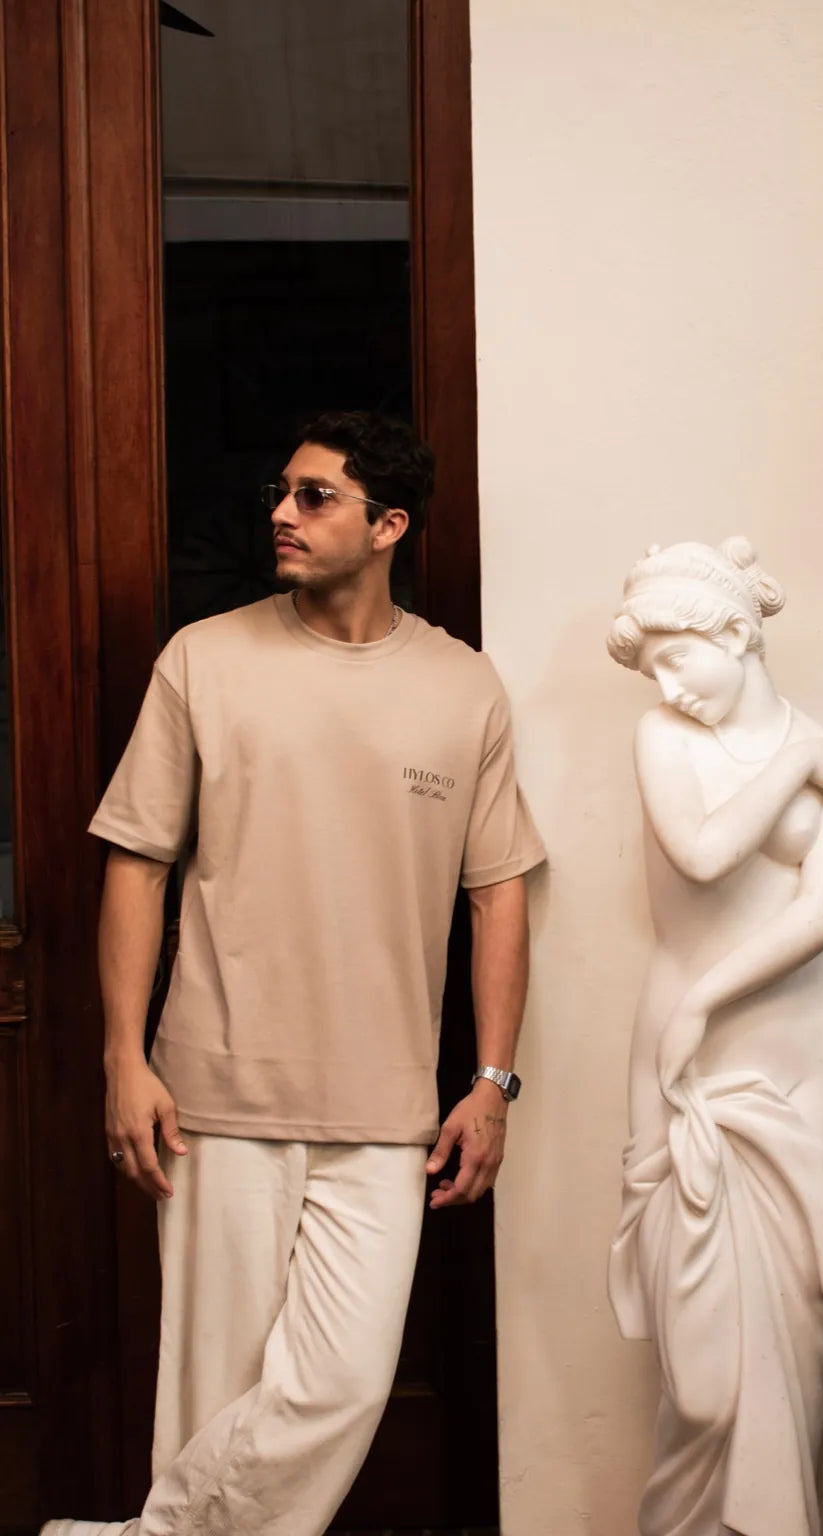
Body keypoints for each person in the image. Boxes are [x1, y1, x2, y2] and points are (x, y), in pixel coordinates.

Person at [43, 410, 545, 1536]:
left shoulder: (462, 686)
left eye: (315, 496)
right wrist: (124, 1059)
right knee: (212, 1406)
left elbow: (497, 892)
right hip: (216, 1095)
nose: (282, 512)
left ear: (388, 526)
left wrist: (492, 1083)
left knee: (338, 1390)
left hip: (385, 1108)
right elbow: (137, 864)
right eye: (281, 491)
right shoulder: (204, 659)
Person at [606, 537, 823, 1536]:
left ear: (734, 633)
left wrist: (703, 998)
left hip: (804, 1049)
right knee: (703, 1378)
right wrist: (800, 762)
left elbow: (819, 916)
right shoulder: (665, 738)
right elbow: (704, 852)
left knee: (798, 1341)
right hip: (682, 1050)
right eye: (652, 671)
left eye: (678, 659)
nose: (668, 687)